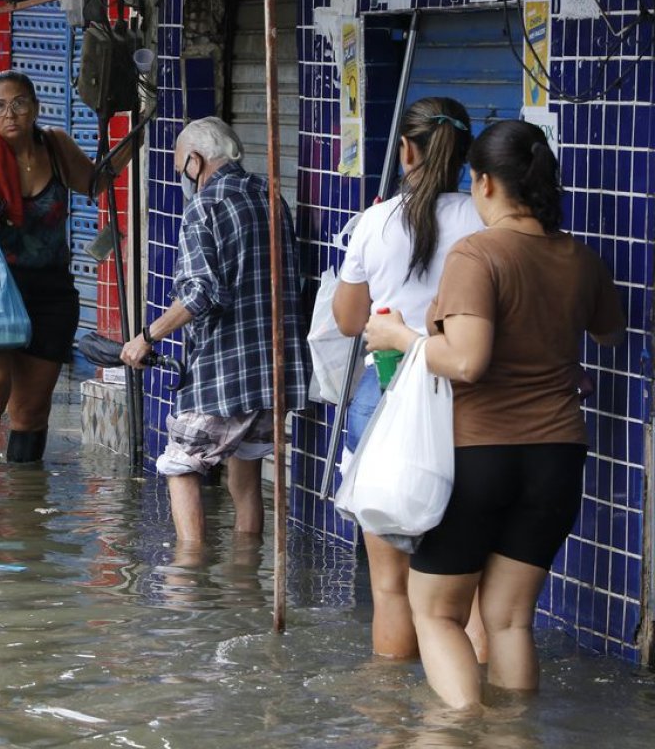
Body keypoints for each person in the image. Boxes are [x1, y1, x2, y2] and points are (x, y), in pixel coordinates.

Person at [364, 119, 625, 709]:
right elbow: (610, 332)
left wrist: (399, 335)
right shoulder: (579, 257)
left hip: (482, 455)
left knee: (437, 612)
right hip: (558, 456)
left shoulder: (478, 253)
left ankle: (461, 732)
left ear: (482, 183)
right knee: (509, 621)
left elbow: (466, 361)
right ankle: (512, 737)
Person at [332, 97, 482, 659]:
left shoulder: (375, 222)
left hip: (386, 404)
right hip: (467, 402)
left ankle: (392, 726)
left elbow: (349, 321)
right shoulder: (483, 219)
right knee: (472, 589)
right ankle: (478, 726)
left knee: (390, 588)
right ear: (468, 158)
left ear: (406, 150)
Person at [120, 117, 309, 546]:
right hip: (277, 368)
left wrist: (145, 337)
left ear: (195, 159)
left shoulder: (204, 207)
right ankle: (244, 580)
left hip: (224, 372)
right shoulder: (270, 196)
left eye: (178, 168)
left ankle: (189, 578)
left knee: (180, 465)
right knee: (245, 470)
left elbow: (201, 294)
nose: (181, 178)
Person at [0, 70, 132, 464]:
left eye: (20, 103)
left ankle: (24, 514)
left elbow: (95, 182)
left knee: (31, 412)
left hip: (48, 292)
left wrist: (134, 137)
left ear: (36, 108)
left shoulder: (54, 146)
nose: (10, 113)